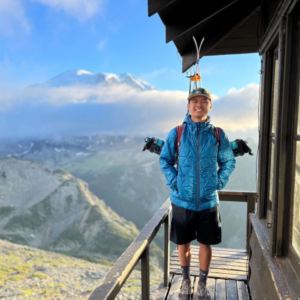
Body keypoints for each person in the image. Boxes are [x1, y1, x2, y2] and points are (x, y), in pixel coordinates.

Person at [159, 87, 236, 299]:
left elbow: (228, 160)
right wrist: (175, 182)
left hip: (208, 202)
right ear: (188, 106)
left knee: (205, 243)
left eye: (203, 101)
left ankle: (201, 282)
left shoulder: (217, 134)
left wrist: (219, 181)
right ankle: (185, 280)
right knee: (182, 244)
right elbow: (165, 160)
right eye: (194, 101)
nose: (198, 105)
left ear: (210, 105)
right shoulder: (177, 133)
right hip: (182, 201)